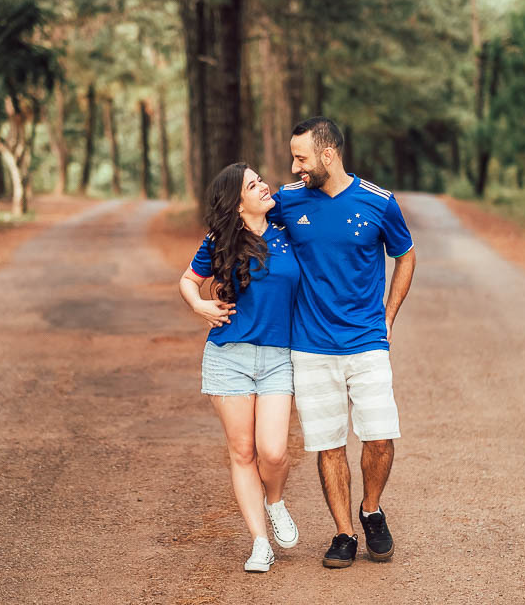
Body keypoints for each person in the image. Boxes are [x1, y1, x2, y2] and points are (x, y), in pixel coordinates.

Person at [267, 116, 416, 568]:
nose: (295, 167)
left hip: (367, 342)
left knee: (380, 437)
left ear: (328, 155)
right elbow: (246, 225)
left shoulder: (378, 202)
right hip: (310, 346)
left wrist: (388, 316)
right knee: (328, 444)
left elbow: (405, 254)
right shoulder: (287, 201)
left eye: (301, 158)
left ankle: (371, 510)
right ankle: (344, 532)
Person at [178, 162, 301, 573]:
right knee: (243, 451)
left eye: (260, 179)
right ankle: (260, 543)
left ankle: (275, 501)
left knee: (274, 451)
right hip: (228, 357)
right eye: (253, 185)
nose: (264, 186)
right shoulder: (220, 241)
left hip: (278, 358)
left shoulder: (288, 232)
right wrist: (199, 306)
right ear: (236, 203)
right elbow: (188, 280)